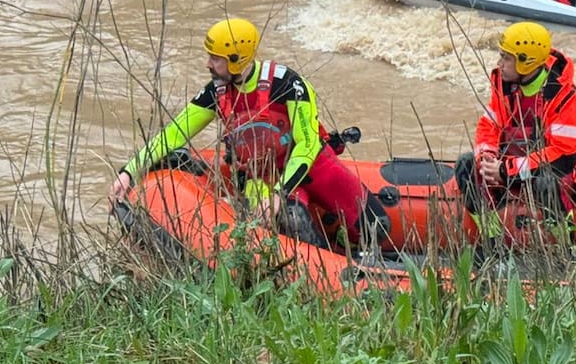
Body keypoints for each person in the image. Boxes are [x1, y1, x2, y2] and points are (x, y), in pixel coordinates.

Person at [109, 17, 386, 249]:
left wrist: (281, 191)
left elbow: (308, 144)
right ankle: (324, 273)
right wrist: (129, 171)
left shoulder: (288, 85)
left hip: (311, 166)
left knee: (378, 226)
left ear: (236, 59)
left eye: (215, 59)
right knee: (289, 219)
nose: (208, 64)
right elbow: (173, 134)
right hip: (260, 177)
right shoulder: (215, 93)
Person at [455, 21, 576, 255]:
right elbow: (489, 125)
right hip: (520, 163)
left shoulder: (566, 99)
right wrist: (487, 159)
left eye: (506, 58)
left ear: (526, 62)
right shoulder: (505, 87)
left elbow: (561, 157)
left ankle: (563, 247)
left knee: (547, 182)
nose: (500, 63)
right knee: (466, 166)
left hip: (572, 170)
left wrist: (506, 170)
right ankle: (492, 238)